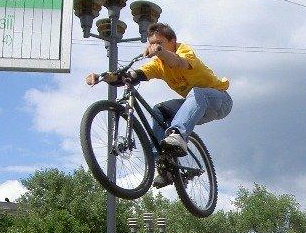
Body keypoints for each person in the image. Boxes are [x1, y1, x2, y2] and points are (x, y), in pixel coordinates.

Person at [86, 22, 232, 188]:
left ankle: (178, 134)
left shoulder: (183, 50)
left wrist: (160, 51)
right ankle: (164, 166)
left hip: (220, 101)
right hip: (195, 107)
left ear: (172, 41)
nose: (154, 47)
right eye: (151, 43)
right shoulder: (158, 65)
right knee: (159, 110)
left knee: (197, 92)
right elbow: (134, 75)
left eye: (159, 43)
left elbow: (178, 62)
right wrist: (104, 77)